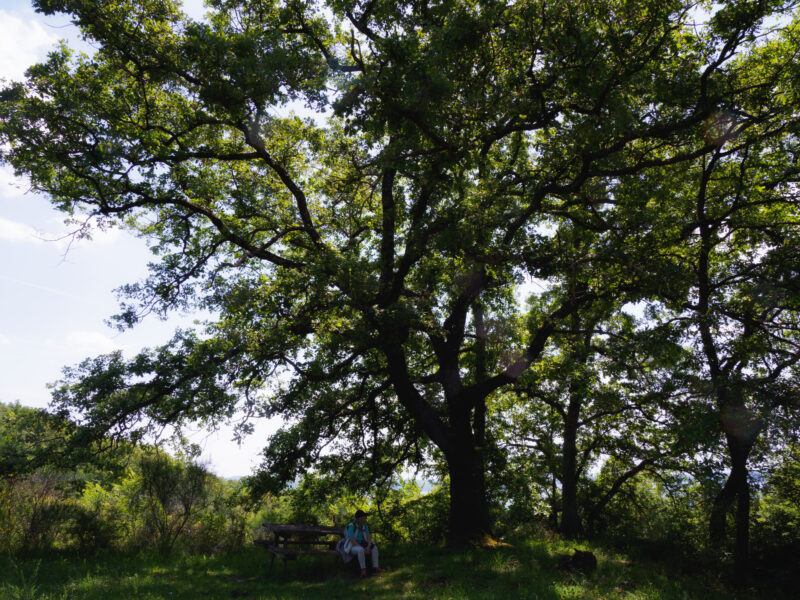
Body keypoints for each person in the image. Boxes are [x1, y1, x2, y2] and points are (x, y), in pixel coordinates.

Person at [346, 509, 385, 577]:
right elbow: (352, 540)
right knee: (360, 550)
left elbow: (368, 537)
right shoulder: (352, 526)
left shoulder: (365, 525)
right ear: (358, 518)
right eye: (363, 517)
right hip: (352, 546)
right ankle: (363, 570)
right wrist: (362, 548)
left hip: (363, 544)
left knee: (374, 548)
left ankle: (375, 568)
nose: (365, 519)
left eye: (365, 517)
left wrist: (369, 546)